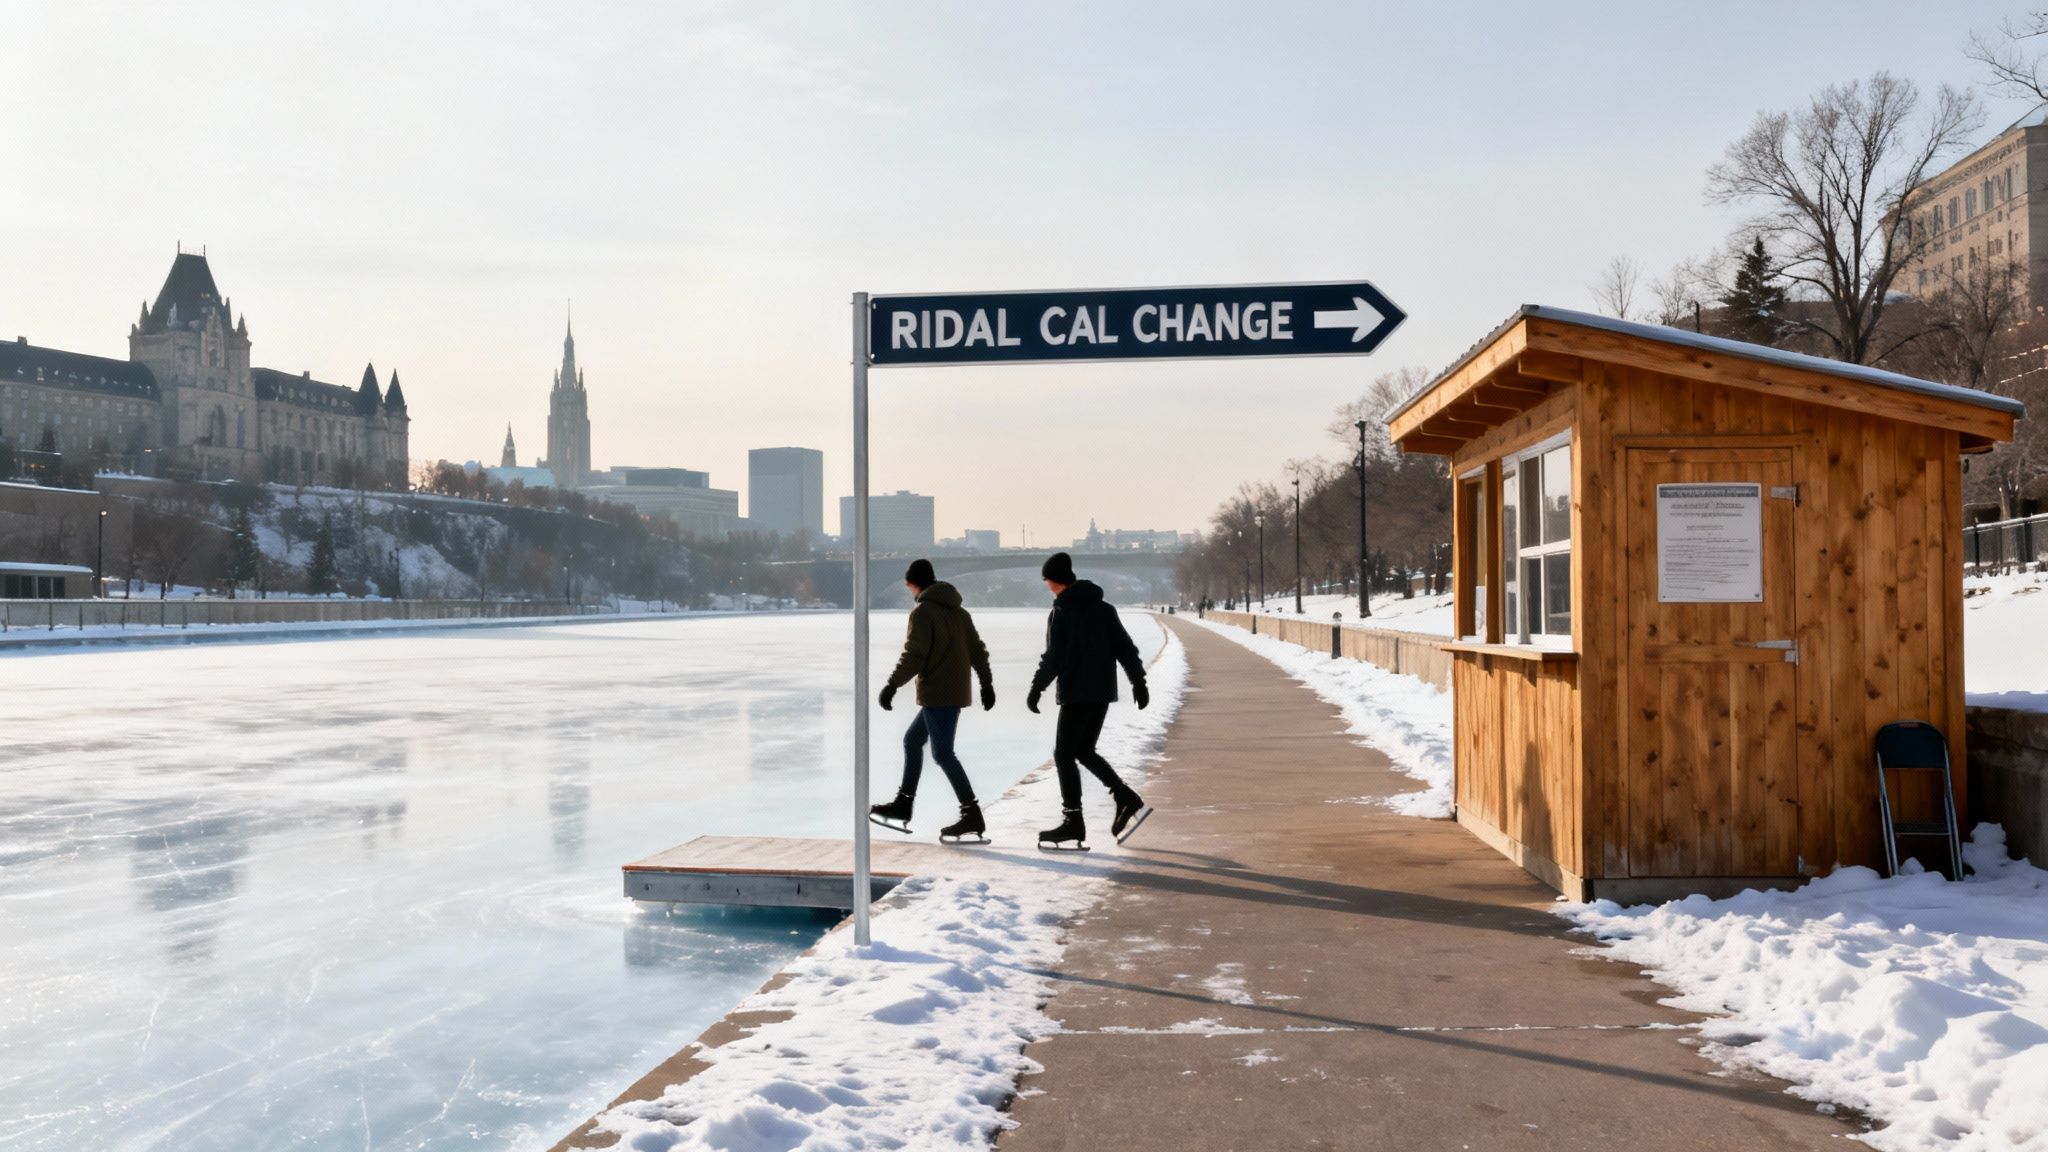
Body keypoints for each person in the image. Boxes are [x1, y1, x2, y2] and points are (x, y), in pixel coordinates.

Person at [1026, 552, 1149, 849]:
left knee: (1064, 754)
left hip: (1076, 693)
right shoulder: (1104, 609)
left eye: (1046, 581)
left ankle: (1074, 822)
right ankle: (1124, 797)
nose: (1046, 586)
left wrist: (1036, 688)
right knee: (1083, 750)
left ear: (1054, 581)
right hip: (1101, 692)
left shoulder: (1061, 611)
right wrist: (1138, 682)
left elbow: (1054, 657)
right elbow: (1125, 648)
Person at [871, 558, 996, 842]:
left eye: (909, 586)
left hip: (938, 693)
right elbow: (978, 651)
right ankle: (904, 804)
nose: (909, 591)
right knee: (913, 741)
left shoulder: (923, 612)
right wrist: (986, 683)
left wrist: (892, 685)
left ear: (915, 583)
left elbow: (915, 655)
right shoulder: (959, 612)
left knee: (943, 754)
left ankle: (971, 813)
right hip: (952, 692)